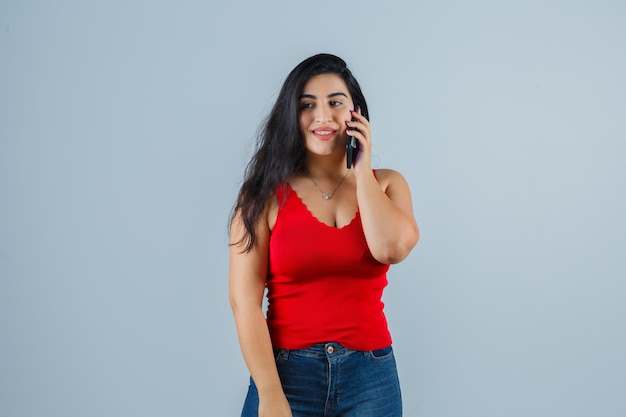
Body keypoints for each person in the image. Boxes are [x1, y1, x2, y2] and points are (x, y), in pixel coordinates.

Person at [229, 53, 419, 417]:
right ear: (292, 115)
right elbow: (244, 303)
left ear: (356, 113)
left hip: (371, 377)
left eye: (335, 102)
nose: (322, 116)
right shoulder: (262, 194)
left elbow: (391, 248)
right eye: (307, 104)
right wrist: (269, 392)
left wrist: (362, 170)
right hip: (285, 374)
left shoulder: (388, 184)